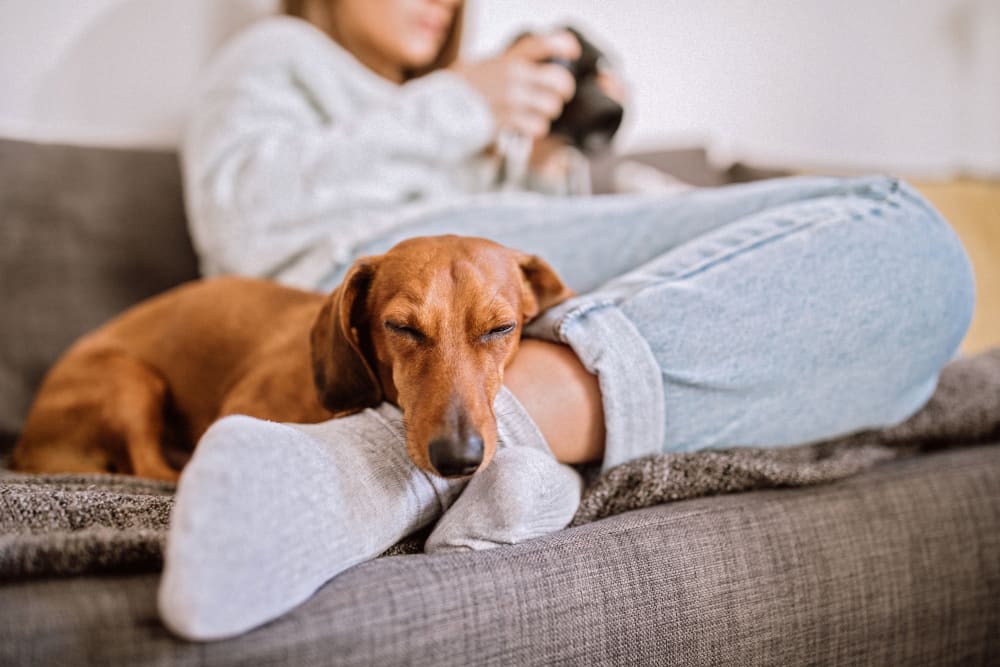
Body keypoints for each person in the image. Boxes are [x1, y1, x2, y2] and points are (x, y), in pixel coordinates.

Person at [160, 0, 976, 640]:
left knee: (918, 273)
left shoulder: (445, 112)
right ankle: (381, 464)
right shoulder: (278, 58)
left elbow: (552, 304)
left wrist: (553, 161)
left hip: (497, 275)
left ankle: (505, 434)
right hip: (382, 262)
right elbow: (242, 223)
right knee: (903, 229)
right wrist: (461, 102)